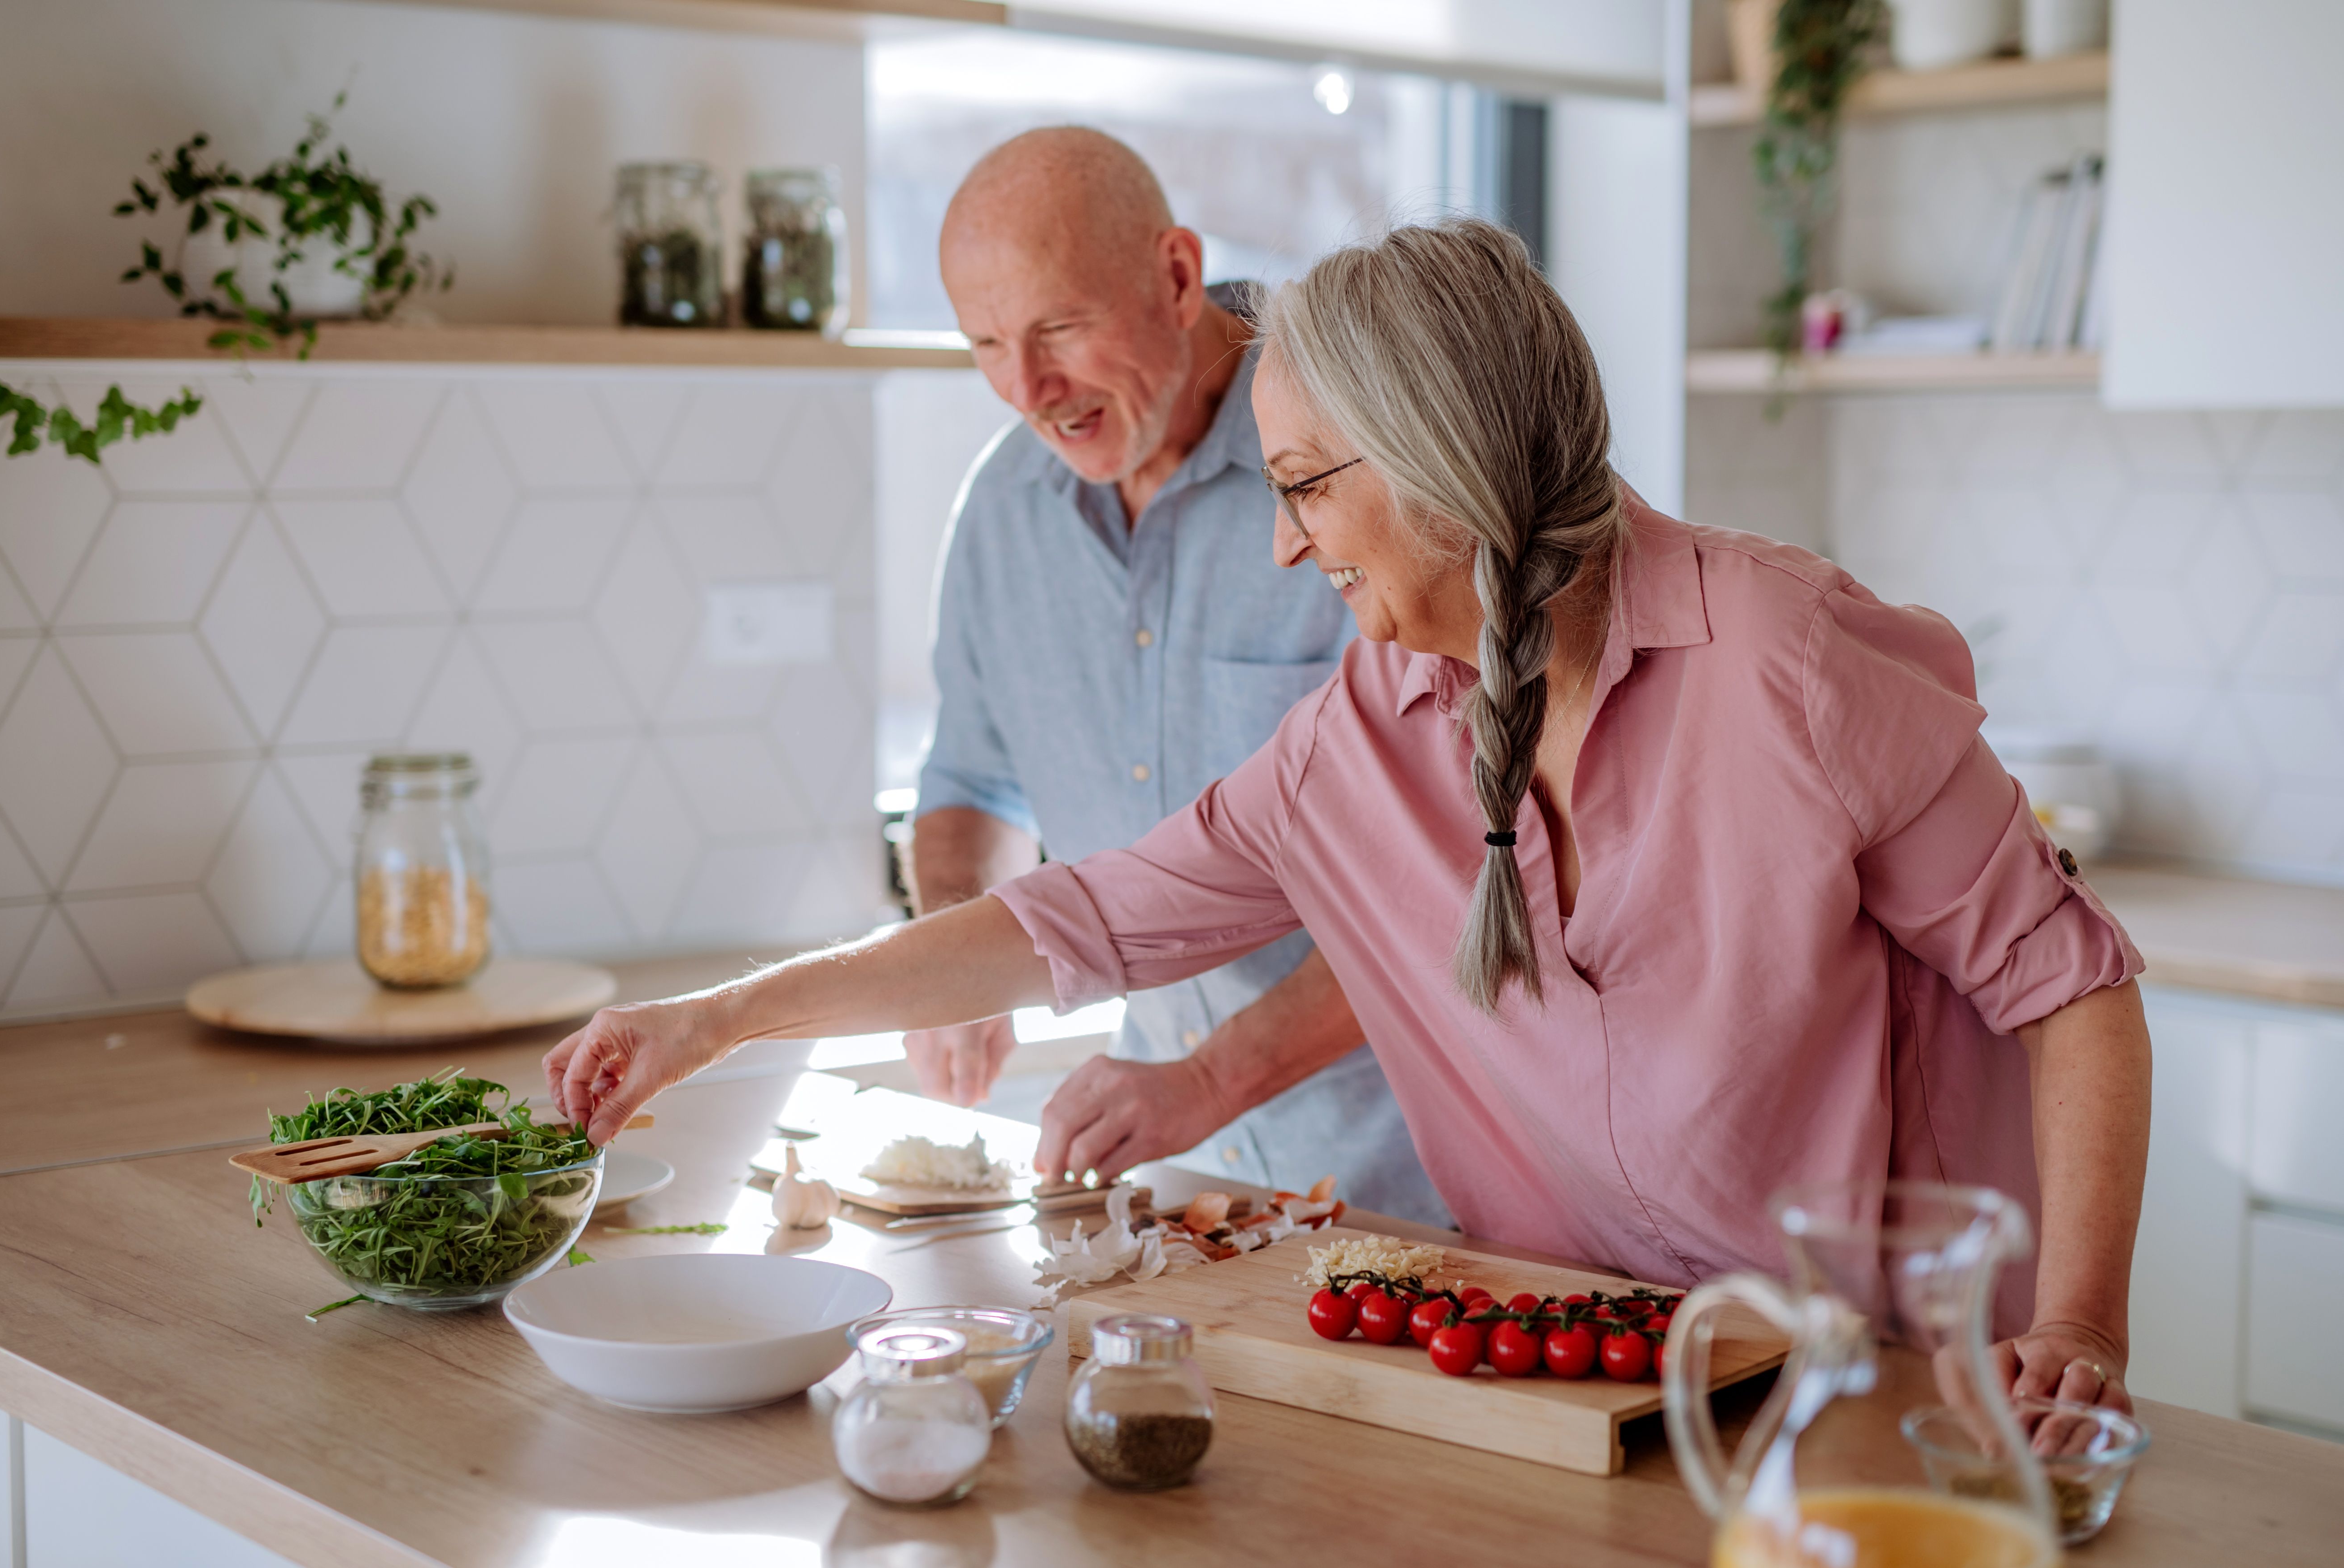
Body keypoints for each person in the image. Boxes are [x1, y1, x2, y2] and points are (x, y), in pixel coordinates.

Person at [543, 218, 2151, 1416]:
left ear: (1439, 464)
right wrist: (724, 1018)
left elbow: (2070, 988)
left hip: (1879, 1387)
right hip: (1567, 1386)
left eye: (1307, 487)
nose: (1286, 548)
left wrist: (2080, 1323)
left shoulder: (1784, 659)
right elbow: (1078, 918)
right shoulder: (1363, 738)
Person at [892, 126, 1445, 1223]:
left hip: (1415, 1177)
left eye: (1058, 328)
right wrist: (954, 955)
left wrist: (1211, 1080)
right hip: (1175, 1196)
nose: (1027, 386)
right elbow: (972, 779)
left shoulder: (1359, 467)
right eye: (986, 343)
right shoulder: (1001, 514)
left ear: (1178, 276)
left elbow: (1449, 880)